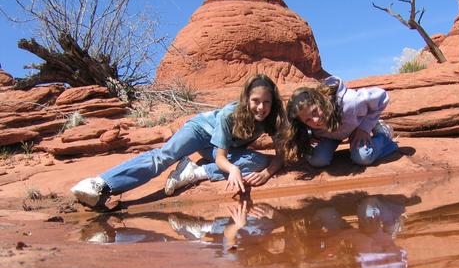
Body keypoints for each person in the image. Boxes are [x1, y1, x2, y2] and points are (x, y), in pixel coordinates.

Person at [71, 74, 286, 209]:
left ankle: (193, 172)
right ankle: (102, 183)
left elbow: (279, 156)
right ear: (246, 99)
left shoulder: (273, 118)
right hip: (200, 131)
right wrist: (233, 169)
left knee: (259, 162)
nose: (261, 107)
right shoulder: (229, 115)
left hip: (219, 147)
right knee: (165, 156)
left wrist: (267, 174)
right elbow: (221, 158)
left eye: (266, 102)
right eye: (256, 101)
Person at [281, 76, 398, 167]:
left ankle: (383, 134)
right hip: (330, 135)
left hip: (355, 127)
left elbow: (382, 96)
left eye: (315, 111)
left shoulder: (350, 103)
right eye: (308, 120)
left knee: (363, 157)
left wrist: (365, 128)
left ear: (320, 100)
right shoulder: (307, 125)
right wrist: (307, 136)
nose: (316, 120)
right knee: (318, 160)